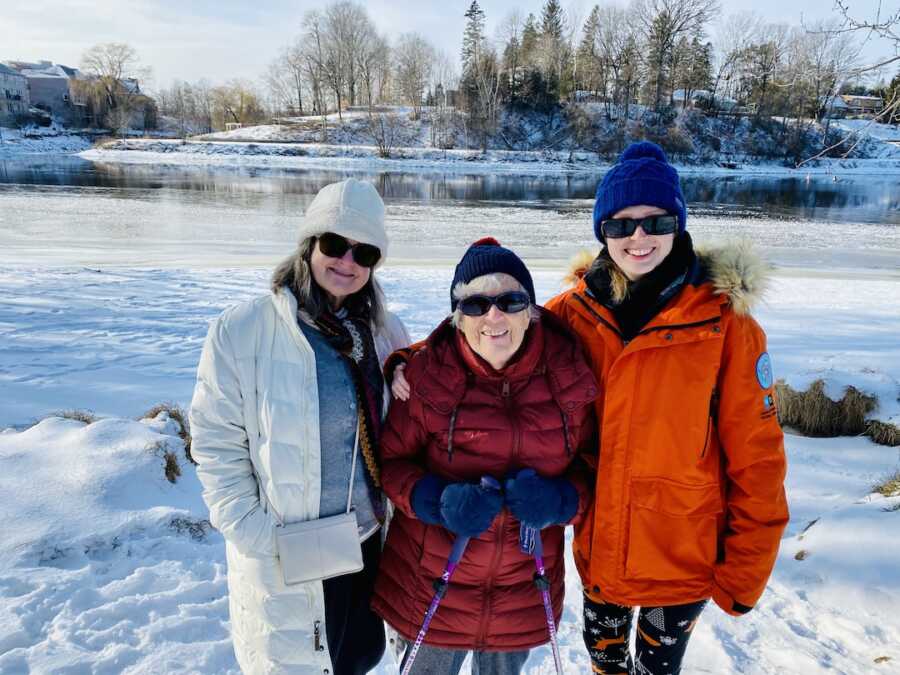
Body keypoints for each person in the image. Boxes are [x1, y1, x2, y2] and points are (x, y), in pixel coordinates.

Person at [544, 141, 790, 674]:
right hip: (602, 544)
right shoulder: (571, 313)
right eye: (620, 225)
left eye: (655, 221)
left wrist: (747, 567)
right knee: (605, 666)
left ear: (677, 223)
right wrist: (408, 359)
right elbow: (489, 334)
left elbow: (759, 458)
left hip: (682, 556)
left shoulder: (727, 325)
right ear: (601, 232)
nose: (638, 238)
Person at [189, 178, 410, 675]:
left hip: (366, 539)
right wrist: (255, 532)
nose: (347, 262)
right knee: (297, 661)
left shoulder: (382, 333)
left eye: (365, 252)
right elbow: (215, 441)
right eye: (335, 245)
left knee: (355, 657)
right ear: (309, 244)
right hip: (289, 546)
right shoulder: (245, 330)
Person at [372, 238, 598, 674]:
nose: (493, 316)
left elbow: (593, 467)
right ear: (458, 318)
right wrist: (436, 501)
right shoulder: (425, 376)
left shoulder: (568, 377)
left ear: (531, 311)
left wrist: (561, 500)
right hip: (432, 589)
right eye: (476, 305)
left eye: (510, 300)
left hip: (521, 593)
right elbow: (391, 465)